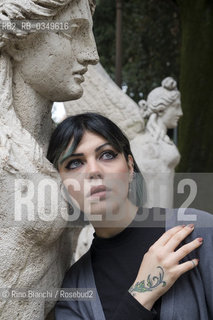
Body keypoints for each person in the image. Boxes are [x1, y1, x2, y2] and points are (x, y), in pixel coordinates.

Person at [47, 112, 213, 320]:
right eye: (74, 163)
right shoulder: (74, 293)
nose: (94, 171)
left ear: (130, 165)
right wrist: (142, 293)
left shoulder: (197, 231)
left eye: (107, 154)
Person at [130, 77, 183, 208]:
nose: (180, 113)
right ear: (160, 109)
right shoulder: (142, 144)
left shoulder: (164, 142)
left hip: (164, 217)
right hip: (149, 218)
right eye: (176, 107)